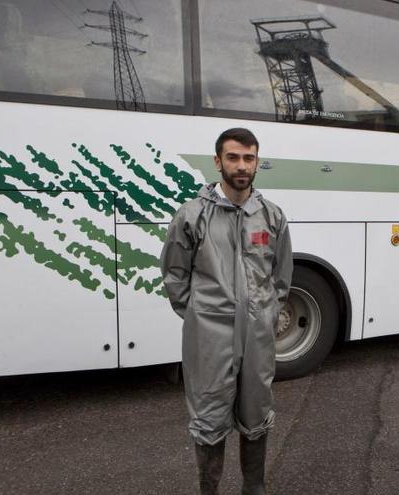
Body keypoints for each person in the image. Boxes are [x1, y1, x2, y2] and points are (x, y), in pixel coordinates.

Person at [160, 128, 293, 495]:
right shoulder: (192, 216)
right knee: (209, 416)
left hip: (257, 339)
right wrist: (202, 316)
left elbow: (280, 279)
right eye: (233, 157)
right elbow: (175, 275)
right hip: (210, 338)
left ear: (257, 163)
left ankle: (255, 487)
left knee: (256, 411)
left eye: (248, 158)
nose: (241, 166)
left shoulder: (271, 216)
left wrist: (263, 316)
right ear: (218, 161)